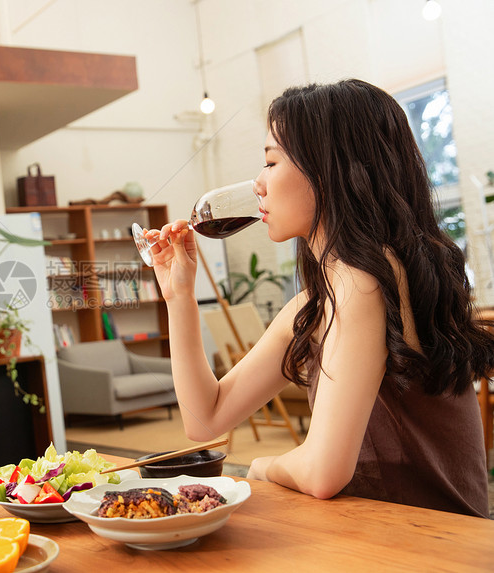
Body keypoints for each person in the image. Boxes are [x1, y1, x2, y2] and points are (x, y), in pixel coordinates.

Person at [146, 79, 493, 517]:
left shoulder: (361, 282)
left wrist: (262, 465)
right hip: (376, 532)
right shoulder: (322, 299)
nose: (257, 184)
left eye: (271, 161)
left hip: (427, 546)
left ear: (328, 171)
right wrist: (180, 298)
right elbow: (205, 419)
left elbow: (323, 473)